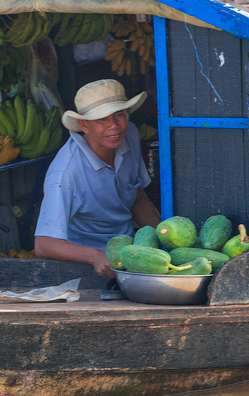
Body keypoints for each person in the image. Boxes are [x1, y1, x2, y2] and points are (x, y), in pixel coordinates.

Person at [34, 79, 161, 279]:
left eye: (119, 114)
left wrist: (167, 243)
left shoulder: (130, 135)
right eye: (102, 119)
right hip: (83, 268)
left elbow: (138, 198)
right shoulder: (65, 173)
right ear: (84, 125)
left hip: (128, 254)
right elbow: (43, 244)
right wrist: (94, 256)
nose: (114, 126)